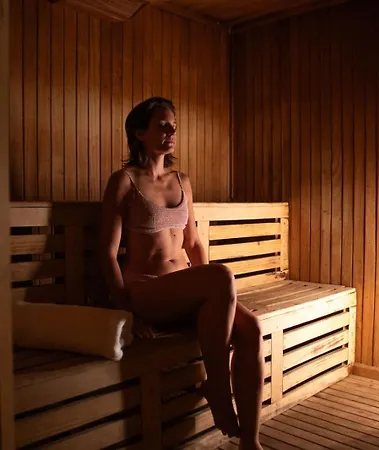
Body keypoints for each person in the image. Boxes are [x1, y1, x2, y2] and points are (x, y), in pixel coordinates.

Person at [100, 97, 264, 450]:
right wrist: (126, 313)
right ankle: (217, 388)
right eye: (162, 125)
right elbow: (108, 254)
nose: (171, 130)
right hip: (147, 292)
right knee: (221, 276)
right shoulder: (124, 182)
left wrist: (219, 300)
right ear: (139, 133)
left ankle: (250, 442)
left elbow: (193, 243)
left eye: (173, 125)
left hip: (185, 294)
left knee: (251, 328)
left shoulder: (182, 181)